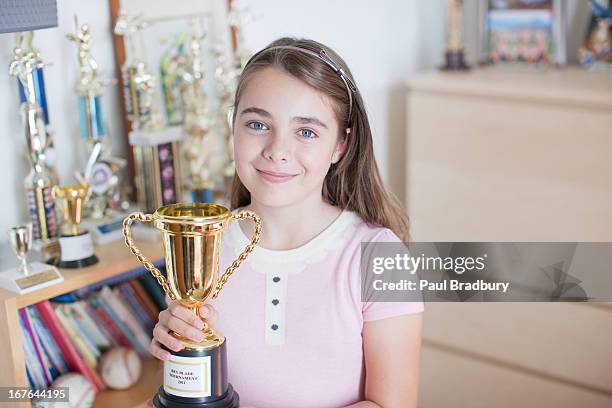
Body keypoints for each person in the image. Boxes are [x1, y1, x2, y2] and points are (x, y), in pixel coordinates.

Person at [150, 37, 424, 408]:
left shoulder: (378, 255)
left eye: (306, 131)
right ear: (233, 128)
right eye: (258, 124)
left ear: (341, 146)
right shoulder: (201, 246)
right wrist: (175, 354)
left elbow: (393, 404)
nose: (277, 150)